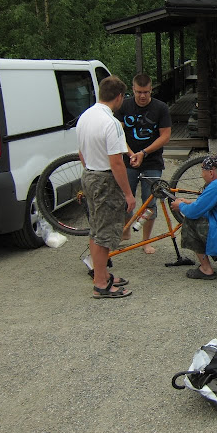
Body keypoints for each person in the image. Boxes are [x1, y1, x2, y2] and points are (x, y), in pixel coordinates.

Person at [76, 75, 136, 299]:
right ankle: (101, 284)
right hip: (105, 178)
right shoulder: (111, 123)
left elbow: (81, 152)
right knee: (105, 233)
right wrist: (128, 194)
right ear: (119, 97)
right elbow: (116, 162)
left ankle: (101, 274)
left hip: (89, 174)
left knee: (95, 229)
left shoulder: (85, 116)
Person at [115, 73, 172, 253]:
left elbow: (165, 136)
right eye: (139, 92)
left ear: (151, 90)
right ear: (133, 90)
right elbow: (117, 134)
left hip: (152, 162)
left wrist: (144, 152)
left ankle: (145, 241)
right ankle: (126, 231)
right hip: (128, 160)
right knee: (126, 199)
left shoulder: (160, 107)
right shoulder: (124, 106)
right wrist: (131, 153)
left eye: (146, 92)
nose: (142, 96)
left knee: (150, 203)